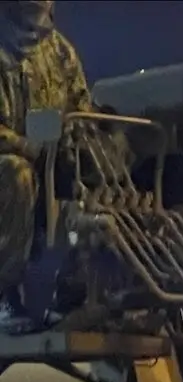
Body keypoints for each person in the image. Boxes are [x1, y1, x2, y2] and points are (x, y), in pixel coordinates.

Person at [0, 0, 89, 331]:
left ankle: (75, 294)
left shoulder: (59, 50)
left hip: (45, 156)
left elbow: (81, 108)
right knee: (15, 173)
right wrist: (26, 147)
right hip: (10, 163)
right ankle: (3, 295)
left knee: (85, 170)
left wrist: (74, 144)